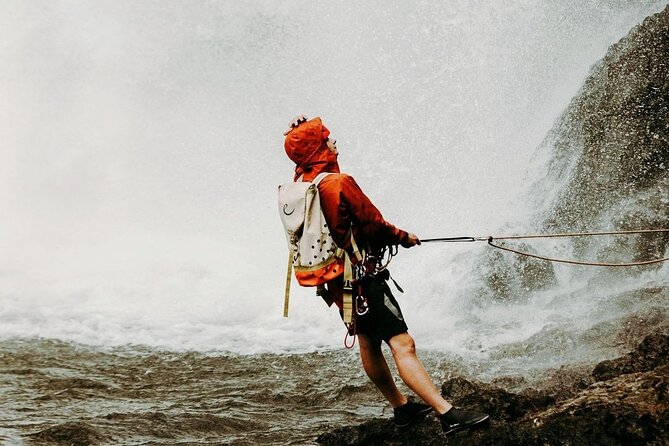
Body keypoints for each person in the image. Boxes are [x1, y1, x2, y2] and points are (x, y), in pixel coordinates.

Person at [282, 116, 490, 435]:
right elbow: (372, 224)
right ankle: (447, 415)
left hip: (336, 280)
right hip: (362, 276)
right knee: (402, 343)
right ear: (317, 150)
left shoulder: (301, 186)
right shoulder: (338, 183)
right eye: (327, 140)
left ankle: (402, 409)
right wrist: (403, 237)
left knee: (367, 339)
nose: (334, 143)